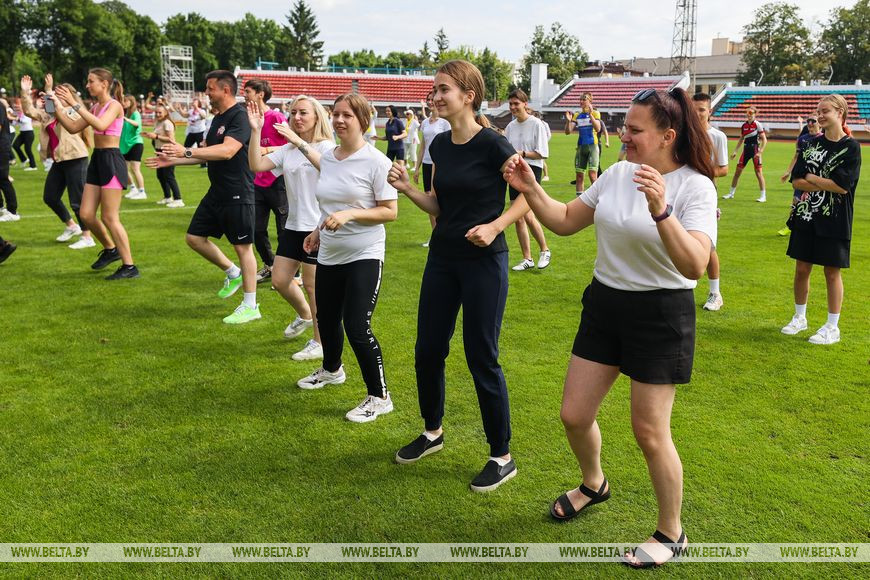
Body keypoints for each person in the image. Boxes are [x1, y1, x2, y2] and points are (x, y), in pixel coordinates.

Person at [503, 86, 717, 567]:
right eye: (625, 126)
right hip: (605, 304)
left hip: (661, 314)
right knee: (574, 415)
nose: (624, 135)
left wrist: (661, 209)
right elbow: (563, 221)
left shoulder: (694, 187)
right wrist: (530, 188)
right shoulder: (618, 173)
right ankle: (594, 484)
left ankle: (671, 533)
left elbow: (695, 266)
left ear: (668, 135)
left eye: (635, 130)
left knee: (649, 431)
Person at [388, 60, 529, 493]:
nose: (435, 96)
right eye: (434, 89)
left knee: (480, 354)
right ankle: (433, 431)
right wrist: (411, 190)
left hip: (485, 262)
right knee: (428, 348)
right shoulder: (440, 145)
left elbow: (530, 198)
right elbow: (439, 206)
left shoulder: (494, 144)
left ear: (468, 95)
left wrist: (495, 226)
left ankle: (501, 456)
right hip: (444, 259)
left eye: (443, 89)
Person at [296, 92, 398, 424]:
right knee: (325, 318)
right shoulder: (329, 157)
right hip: (329, 253)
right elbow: (328, 205)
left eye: (348, 115)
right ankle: (331, 370)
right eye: (336, 114)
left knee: (357, 325)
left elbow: (390, 211)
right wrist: (317, 230)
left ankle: (379, 396)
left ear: (363, 120)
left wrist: (350, 214)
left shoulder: (376, 161)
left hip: (364, 254)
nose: (340, 120)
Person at [147, 70, 259, 324]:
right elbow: (206, 153)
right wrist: (171, 160)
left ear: (226, 90)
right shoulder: (218, 118)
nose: (206, 93)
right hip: (217, 191)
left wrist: (185, 151)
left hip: (238, 191)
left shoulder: (239, 116)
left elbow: (228, 151)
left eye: (210, 88)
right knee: (194, 238)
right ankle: (233, 272)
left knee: (243, 248)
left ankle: (251, 305)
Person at [246, 95, 335, 360]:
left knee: (313, 286)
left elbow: (330, 171)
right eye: (293, 112)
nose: (296, 117)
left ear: (316, 117)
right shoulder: (287, 150)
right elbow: (256, 165)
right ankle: (305, 315)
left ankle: (320, 342)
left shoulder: (327, 147)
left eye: (303, 113)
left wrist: (298, 142)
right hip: (294, 226)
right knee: (280, 280)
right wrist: (254, 131)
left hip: (318, 227)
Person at [782, 94, 861, 345]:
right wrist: (822, 182)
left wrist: (812, 179)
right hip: (806, 215)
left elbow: (842, 186)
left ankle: (832, 327)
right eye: (818, 111)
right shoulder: (810, 144)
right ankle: (799, 317)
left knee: (831, 272)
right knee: (802, 268)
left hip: (835, 218)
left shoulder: (851, 147)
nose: (819, 115)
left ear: (840, 112)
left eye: (825, 111)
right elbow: (796, 180)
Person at [51, 68, 139, 280]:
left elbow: (100, 125)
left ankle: (129, 266)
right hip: (98, 160)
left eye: (91, 82)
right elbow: (73, 127)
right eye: (88, 81)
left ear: (104, 84)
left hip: (111, 160)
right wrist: (56, 109)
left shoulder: (114, 105)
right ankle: (110, 249)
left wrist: (73, 103)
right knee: (86, 214)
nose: (87, 85)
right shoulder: (96, 106)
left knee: (109, 217)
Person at [19, 74, 94, 247]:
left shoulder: (74, 111)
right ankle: (71, 226)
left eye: (59, 95)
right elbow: (29, 111)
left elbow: (64, 115)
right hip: (59, 160)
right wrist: (25, 93)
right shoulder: (49, 115)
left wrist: (49, 91)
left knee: (77, 200)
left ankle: (87, 237)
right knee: (50, 197)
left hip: (76, 158)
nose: (53, 99)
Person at [243, 79, 289, 284]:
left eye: (248, 91)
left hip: (277, 181)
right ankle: (270, 266)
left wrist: (267, 150)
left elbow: (293, 145)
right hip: (257, 182)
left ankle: (290, 273)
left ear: (260, 94)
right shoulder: (249, 119)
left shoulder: (276, 116)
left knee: (284, 230)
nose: (245, 95)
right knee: (256, 228)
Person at [504, 88, 551, 271]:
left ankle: (545, 250)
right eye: (511, 104)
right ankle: (527, 258)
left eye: (516, 103)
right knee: (521, 217)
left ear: (525, 104)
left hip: (532, 170)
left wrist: (521, 153)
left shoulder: (536, 124)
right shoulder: (510, 127)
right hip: (515, 171)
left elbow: (542, 153)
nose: (513, 107)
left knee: (525, 215)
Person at [692, 93, 729, 311]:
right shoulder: (682, 133)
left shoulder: (717, 136)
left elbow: (723, 169)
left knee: (708, 245)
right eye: (694, 109)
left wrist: (699, 173)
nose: (697, 114)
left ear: (710, 112)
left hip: (705, 193)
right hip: (681, 192)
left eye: (702, 110)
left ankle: (715, 293)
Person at [413, 93, 450, 247]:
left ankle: (444, 233)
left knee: (441, 199)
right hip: (428, 164)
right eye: (427, 100)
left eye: (431, 99)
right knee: (429, 198)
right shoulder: (425, 123)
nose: (430, 102)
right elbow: (422, 146)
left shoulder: (444, 123)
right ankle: (435, 235)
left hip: (441, 163)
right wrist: (417, 168)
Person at [778, 116, 823, 236]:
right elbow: (796, 156)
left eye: (813, 121)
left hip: (816, 177)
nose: (810, 123)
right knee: (796, 201)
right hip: (801, 175)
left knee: (816, 202)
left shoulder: (824, 138)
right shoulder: (803, 139)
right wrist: (788, 172)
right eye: (808, 121)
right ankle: (790, 226)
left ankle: (816, 228)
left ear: (819, 123)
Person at [724, 106, 767, 202]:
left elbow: (764, 139)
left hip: (755, 150)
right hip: (746, 150)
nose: (749, 115)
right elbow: (741, 139)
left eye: (751, 113)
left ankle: (763, 196)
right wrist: (735, 151)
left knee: (759, 173)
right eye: (747, 113)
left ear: (755, 114)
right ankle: (731, 193)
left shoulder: (758, 125)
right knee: (737, 172)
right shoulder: (744, 125)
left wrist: (760, 152)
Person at [143, 104, 183, 207]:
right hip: (159, 151)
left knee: (169, 176)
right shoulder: (158, 122)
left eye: (160, 112)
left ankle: (178, 199)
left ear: (165, 113)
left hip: (167, 151)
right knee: (160, 175)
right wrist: (150, 135)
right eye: (156, 112)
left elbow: (171, 139)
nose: (158, 114)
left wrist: (155, 136)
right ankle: (167, 197)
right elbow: (157, 136)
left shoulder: (167, 123)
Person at [565, 92, 601, 196]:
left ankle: (597, 198)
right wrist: (568, 121)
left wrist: (590, 115)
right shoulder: (577, 115)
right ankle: (579, 200)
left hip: (592, 147)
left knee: (592, 174)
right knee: (579, 175)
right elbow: (568, 132)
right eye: (580, 99)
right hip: (581, 148)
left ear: (590, 101)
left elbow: (598, 129)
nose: (581, 101)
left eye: (584, 99)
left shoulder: (595, 113)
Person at [120, 95, 147, 200]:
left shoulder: (135, 113)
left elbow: (137, 124)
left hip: (136, 143)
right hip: (125, 145)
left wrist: (126, 119)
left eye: (125, 101)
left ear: (131, 102)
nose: (123, 103)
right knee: (124, 169)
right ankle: (133, 188)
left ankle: (142, 191)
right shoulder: (125, 113)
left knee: (135, 168)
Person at [12, 102, 37, 170]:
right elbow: (14, 123)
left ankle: (33, 166)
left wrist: (17, 118)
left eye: (18, 107)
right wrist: (14, 118)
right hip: (22, 133)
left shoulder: (26, 113)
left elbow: (25, 121)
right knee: (15, 145)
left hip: (29, 133)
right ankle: (24, 159)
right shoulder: (18, 114)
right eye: (16, 107)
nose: (17, 109)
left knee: (27, 149)